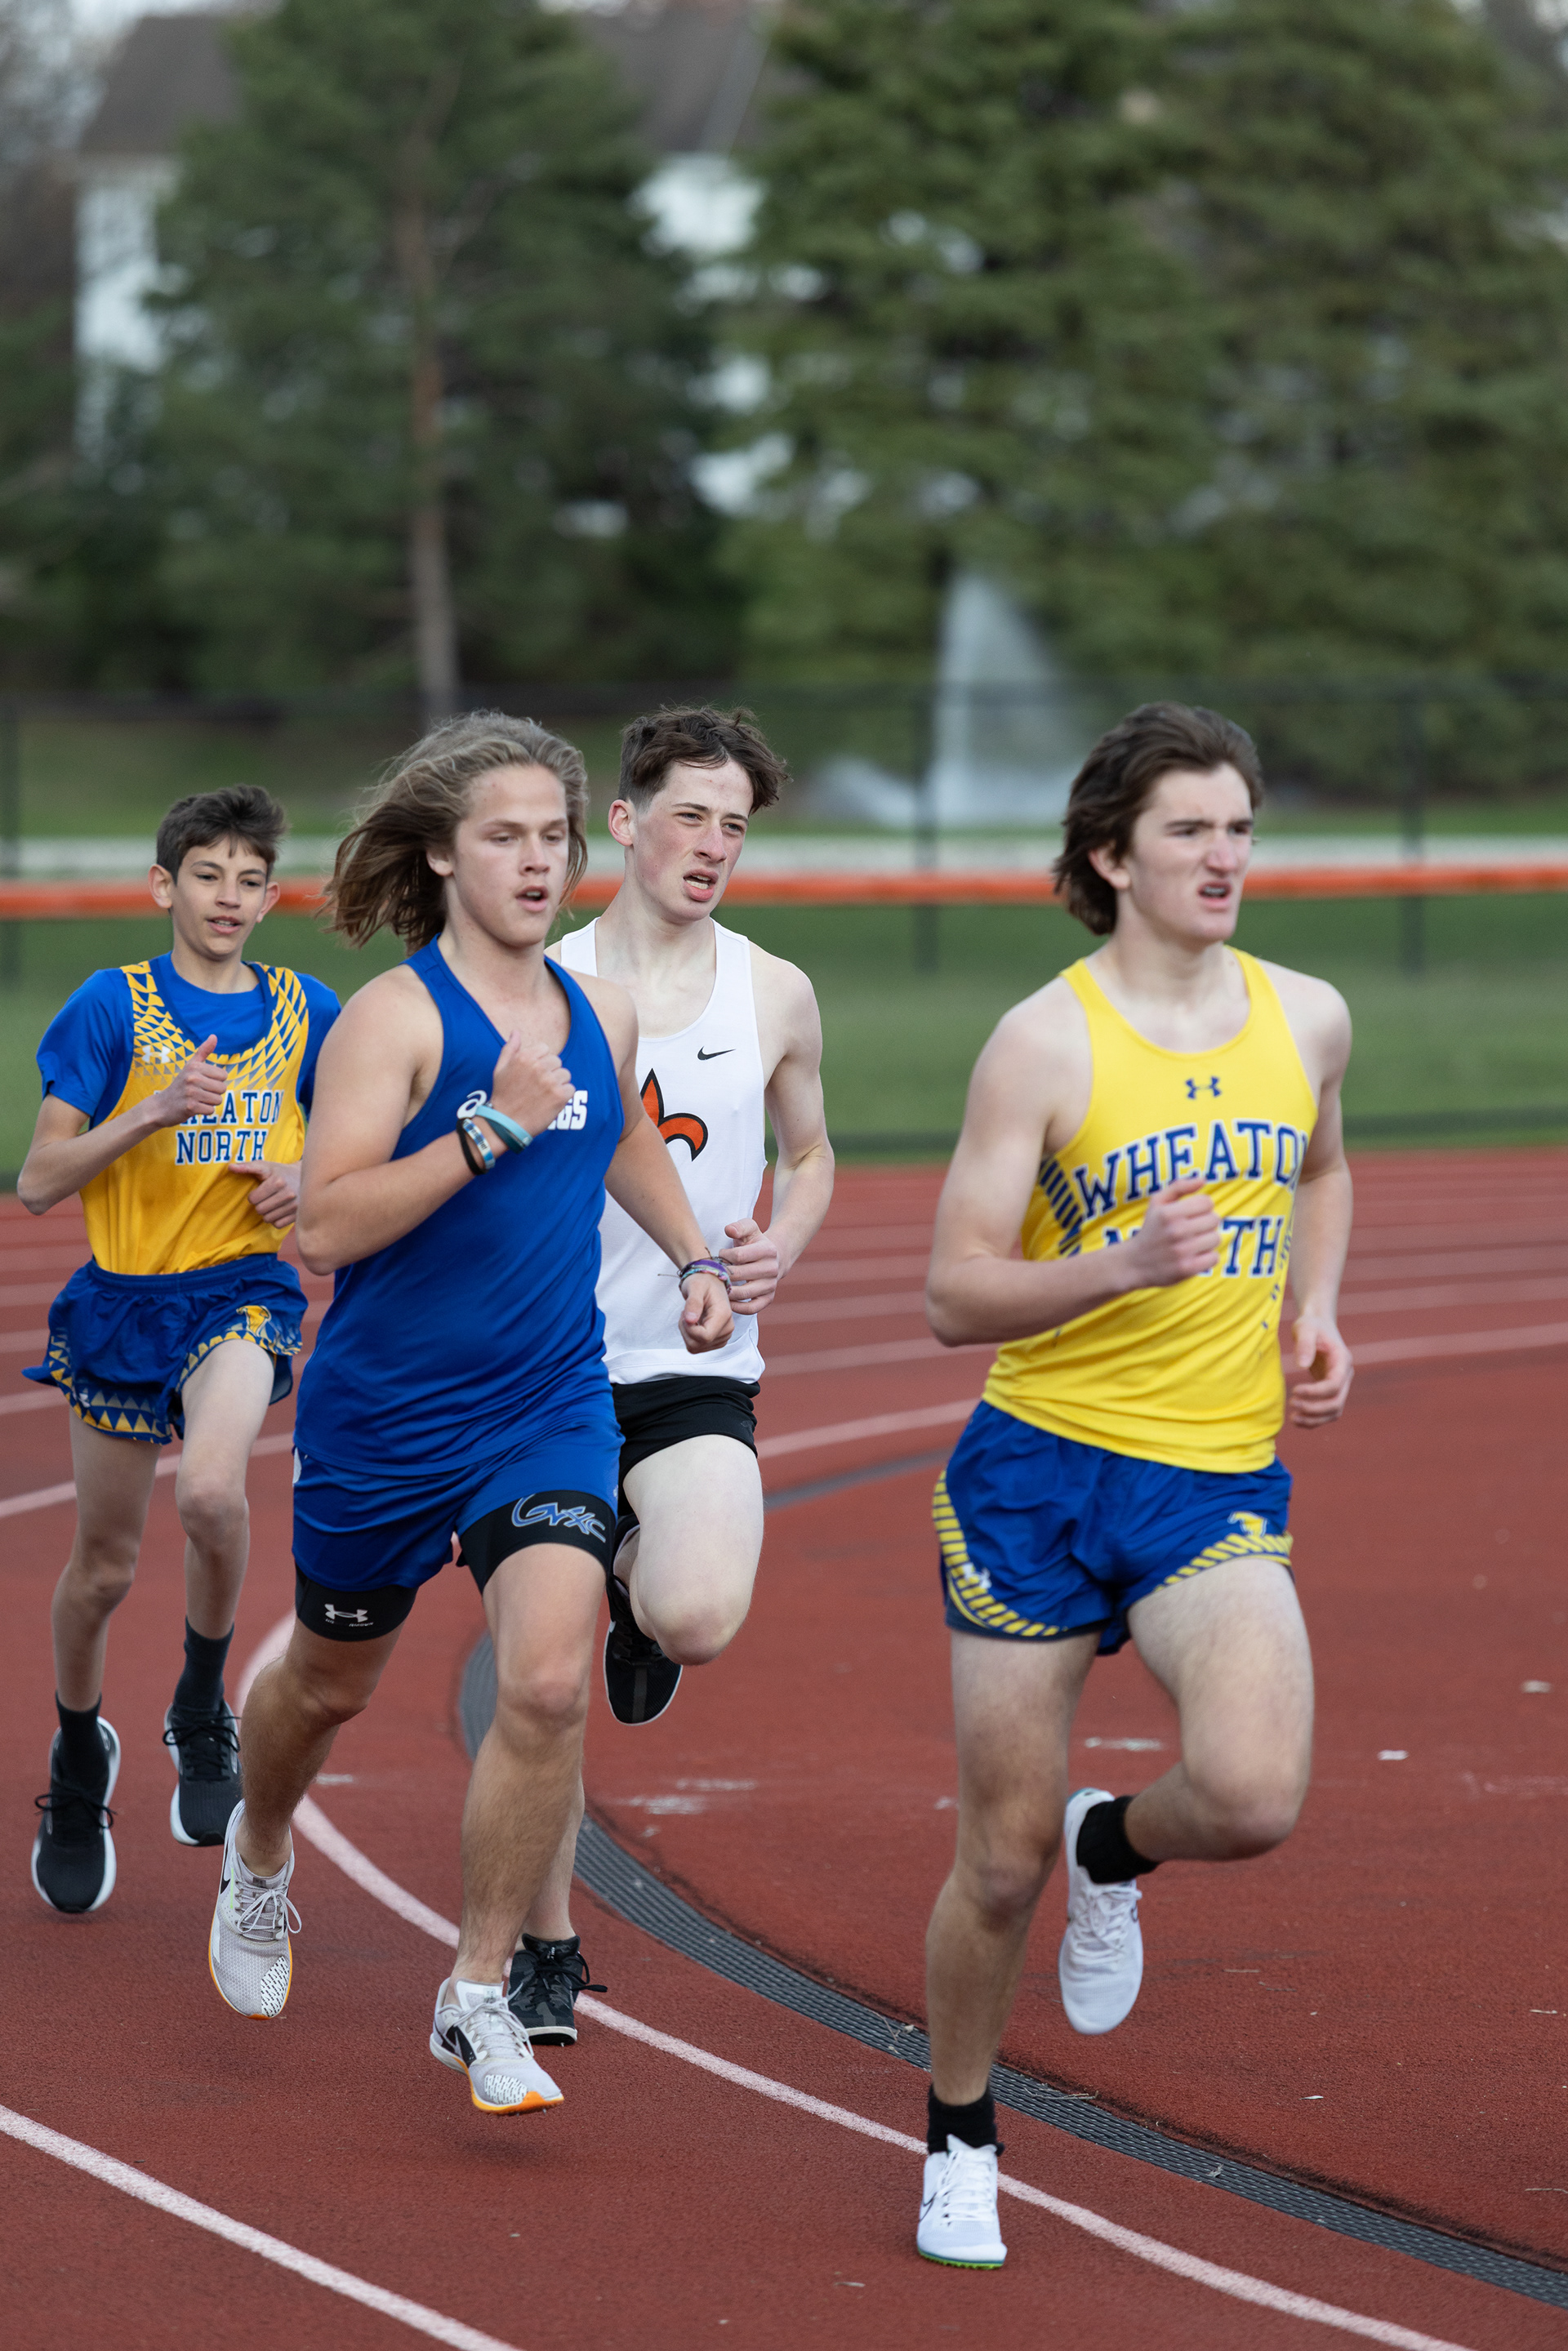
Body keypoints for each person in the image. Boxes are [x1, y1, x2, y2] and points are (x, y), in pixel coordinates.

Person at [206, 712, 734, 2124]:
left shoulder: (600, 1010)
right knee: (327, 1685)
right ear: (443, 854)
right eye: (505, 836)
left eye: (554, 836)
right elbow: (326, 1225)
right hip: (386, 1419)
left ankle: (481, 1989)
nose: (538, 861)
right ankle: (260, 1848)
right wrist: (485, 1128)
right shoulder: (395, 1019)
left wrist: (691, 1255)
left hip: (546, 1403)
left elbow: (620, 1133)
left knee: (548, 1683)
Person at [914, 702, 1354, 2269]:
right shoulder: (1044, 1042)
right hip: (1035, 1477)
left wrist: (1315, 1307)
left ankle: (1122, 1848)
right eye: (1190, 831)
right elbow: (953, 1294)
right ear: (1112, 856)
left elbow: (1322, 1168)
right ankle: (961, 2133)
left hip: (1213, 1477)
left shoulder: (1307, 1018)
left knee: (1251, 1793)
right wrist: (1117, 1265)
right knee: (998, 1857)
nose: (1225, 856)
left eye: (1240, 828)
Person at [494, 706, 834, 2046]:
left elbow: (811, 1154)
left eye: (734, 826)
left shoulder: (776, 991)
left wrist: (778, 1245)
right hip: (546, 1370)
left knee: (695, 1616)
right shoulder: (543, 980)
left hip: (696, 1367)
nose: (713, 845)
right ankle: (546, 1943)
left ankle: (638, 1595)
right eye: (690, 815)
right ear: (626, 823)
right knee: (543, 1684)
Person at [20, 787, 339, 1915]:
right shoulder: (112, 1007)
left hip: (241, 1293)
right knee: (103, 1569)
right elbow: (38, 1181)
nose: (230, 898)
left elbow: (365, 1143)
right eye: (209, 875)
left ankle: (203, 1706)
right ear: (166, 886)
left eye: (251, 880)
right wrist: (149, 1112)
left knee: (211, 1491)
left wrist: (310, 1176)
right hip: (122, 1302)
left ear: (271, 897)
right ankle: (77, 1755)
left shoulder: (308, 1011)